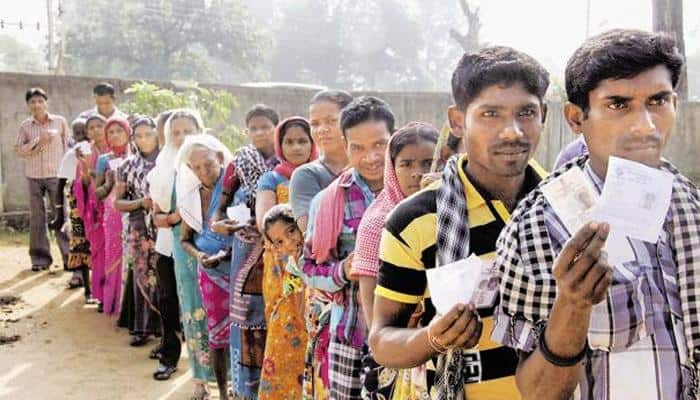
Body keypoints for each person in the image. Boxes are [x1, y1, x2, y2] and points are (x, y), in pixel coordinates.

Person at [494, 29, 700, 400]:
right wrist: (572, 306)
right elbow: (537, 391)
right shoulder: (539, 227)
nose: (645, 125)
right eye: (618, 104)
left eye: (658, 101)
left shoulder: (689, 205)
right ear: (576, 118)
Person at [369, 46, 550, 400]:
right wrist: (433, 338)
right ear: (457, 120)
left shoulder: (564, 207)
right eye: (490, 114)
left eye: (526, 112)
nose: (512, 132)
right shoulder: (416, 220)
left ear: (543, 114)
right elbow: (381, 340)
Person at [303, 96, 395, 399]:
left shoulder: (417, 194)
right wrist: (344, 269)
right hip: (351, 336)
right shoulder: (328, 202)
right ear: (345, 144)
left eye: (379, 145)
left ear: (393, 139)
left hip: (406, 336)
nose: (370, 157)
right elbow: (308, 269)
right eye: (358, 147)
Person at [351, 122, 438, 399]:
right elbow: (370, 305)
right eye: (406, 164)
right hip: (398, 349)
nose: (418, 173)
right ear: (392, 168)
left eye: (427, 162)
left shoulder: (452, 215)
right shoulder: (377, 223)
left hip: (443, 346)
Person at [147, 109, 214, 398]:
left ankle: (221, 377)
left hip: (212, 249)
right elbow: (156, 211)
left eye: (189, 130)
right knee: (183, 307)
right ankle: (196, 376)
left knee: (216, 310)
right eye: (176, 132)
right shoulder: (166, 167)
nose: (182, 137)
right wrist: (170, 217)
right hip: (177, 248)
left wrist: (175, 217)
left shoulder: (211, 163)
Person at [255, 117, 318, 400]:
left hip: (317, 261)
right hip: (281, 267)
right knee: (284, 329)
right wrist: (288, 239)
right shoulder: (272, 178)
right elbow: (263, 221)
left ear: (312, 143)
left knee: (314, 330)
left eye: (302, 140)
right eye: (289, 141)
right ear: (279, 145)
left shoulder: (321, 175)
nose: (296, 147)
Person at [224, 104, 281, 400]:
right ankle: (247, 388)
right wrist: (226, 223)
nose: (260, 132)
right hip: (245, 249)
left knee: (276, 317)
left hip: (279, 253)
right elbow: (218, 211)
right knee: (247, 319)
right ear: (246, 132)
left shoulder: (288, 163)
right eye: (254, 128)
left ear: (277, 127)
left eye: (265, 126)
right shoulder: (239, 162)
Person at [178, 135, 235, 400]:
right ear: (190, 169)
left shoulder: (238, 188)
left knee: (246, 331)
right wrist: (200, 256)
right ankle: (222, 391)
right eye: (197, 168)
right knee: (217, 336)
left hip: (239, 270)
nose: (204, 172)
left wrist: (230, 251)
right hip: (211, 274)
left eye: (209, 165)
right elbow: (185, 240)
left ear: (221, 159)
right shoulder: (192, 197)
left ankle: (243, 387)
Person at [114, 116, 162, 347]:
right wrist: (142, 203)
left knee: (165, 277)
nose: (144, 140)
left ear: (157, 134)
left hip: (165, 227)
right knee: (142, 277)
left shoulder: (168, 161)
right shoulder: (126, 166)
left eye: (148, 134)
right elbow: (118, 203)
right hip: (139, 230)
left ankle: (168, 327)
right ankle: (142, 328)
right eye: (139, 135)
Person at [14, 87, 70, 272]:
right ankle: (40, 259)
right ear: (28, 105)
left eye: (40, 101)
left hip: (57, 176)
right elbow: (19, 151)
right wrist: (38, 141)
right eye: (32, 102)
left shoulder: (60, 122)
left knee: (61, 215)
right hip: (34, 177)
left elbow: (68, 147)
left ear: (46, 102)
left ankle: (70, 258)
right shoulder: (25, 126)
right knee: (37, 217)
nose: (37, 105)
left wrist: (69, 174)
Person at [290, 90, 353, 232]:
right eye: (315, 123)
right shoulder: (306, 175)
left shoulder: (372, 167)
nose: (322, 129)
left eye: (331, 121)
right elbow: (311, 230)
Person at [93, 116, 131, 315]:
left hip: (133, 211)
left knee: (132, 256)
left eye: (119, 130)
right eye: (111, 132)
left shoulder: (136, 156)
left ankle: (129, 305)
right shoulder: (104, 160)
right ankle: (113, 302)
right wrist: (109, 184)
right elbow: (97, 192)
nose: (115, 135)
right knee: (113, 255)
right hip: (112, 213)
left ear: (128, 132)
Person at [52, 117, 92, 296]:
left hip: (96, 207)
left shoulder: (97, 152)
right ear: (72, 136)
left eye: (85, 131)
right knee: (79, 243)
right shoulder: (70, 155)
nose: (82, 136)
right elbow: (60, 185)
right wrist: (59, 213)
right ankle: (85, 285)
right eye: (78, 133)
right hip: (77, 209)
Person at [75, 114, 109, 309]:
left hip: (116, 208)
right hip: (96, 210)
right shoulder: (86, 153)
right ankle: (103, 295)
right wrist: (87, 169)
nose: (96, 130)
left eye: (99, 126)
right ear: (87, 132)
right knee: (99, 252)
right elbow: (84, 185)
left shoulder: (118, 148)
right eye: (91, 128)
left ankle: (118, 295)